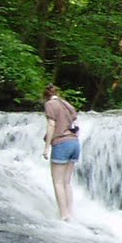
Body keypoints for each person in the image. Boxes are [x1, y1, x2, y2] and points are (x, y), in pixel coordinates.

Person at [42, 84, 81, 220]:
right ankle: (71, 213)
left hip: (61, 143)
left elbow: (51, 125)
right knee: (67, 182)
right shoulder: (66, 104)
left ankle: (64, 216)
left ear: (45, 96)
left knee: (58, 182)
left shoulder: (50, 105)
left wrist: (47, 147)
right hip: (75, 143)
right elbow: (76, 124)